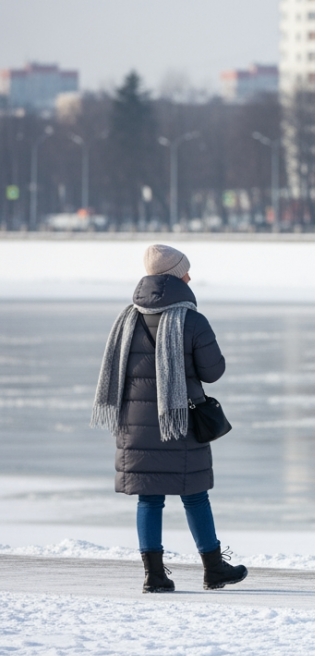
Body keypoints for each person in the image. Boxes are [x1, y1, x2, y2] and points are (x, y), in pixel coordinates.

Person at [92, 244, 247, 593]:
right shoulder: (192, 320)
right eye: (185, 271)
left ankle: (154, 575)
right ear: (175, 276)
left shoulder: (126, 319)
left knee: (149, 499)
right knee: (195, 496)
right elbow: (213, 372)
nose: (190, 277)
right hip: (180, 424)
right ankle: (213, 569)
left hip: (135, 426)